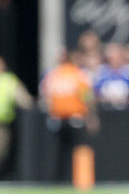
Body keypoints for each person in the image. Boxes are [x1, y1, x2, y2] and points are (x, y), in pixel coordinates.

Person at [40, 51, 99, 183]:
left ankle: (58, 179)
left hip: (57, 117)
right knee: (77, 149)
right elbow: (87, 97)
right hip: (75, 117)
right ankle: (78, 179)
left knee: (58, 151)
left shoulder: (53, 75)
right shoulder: (78, 74)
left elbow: (45, 96)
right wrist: (91, 116)